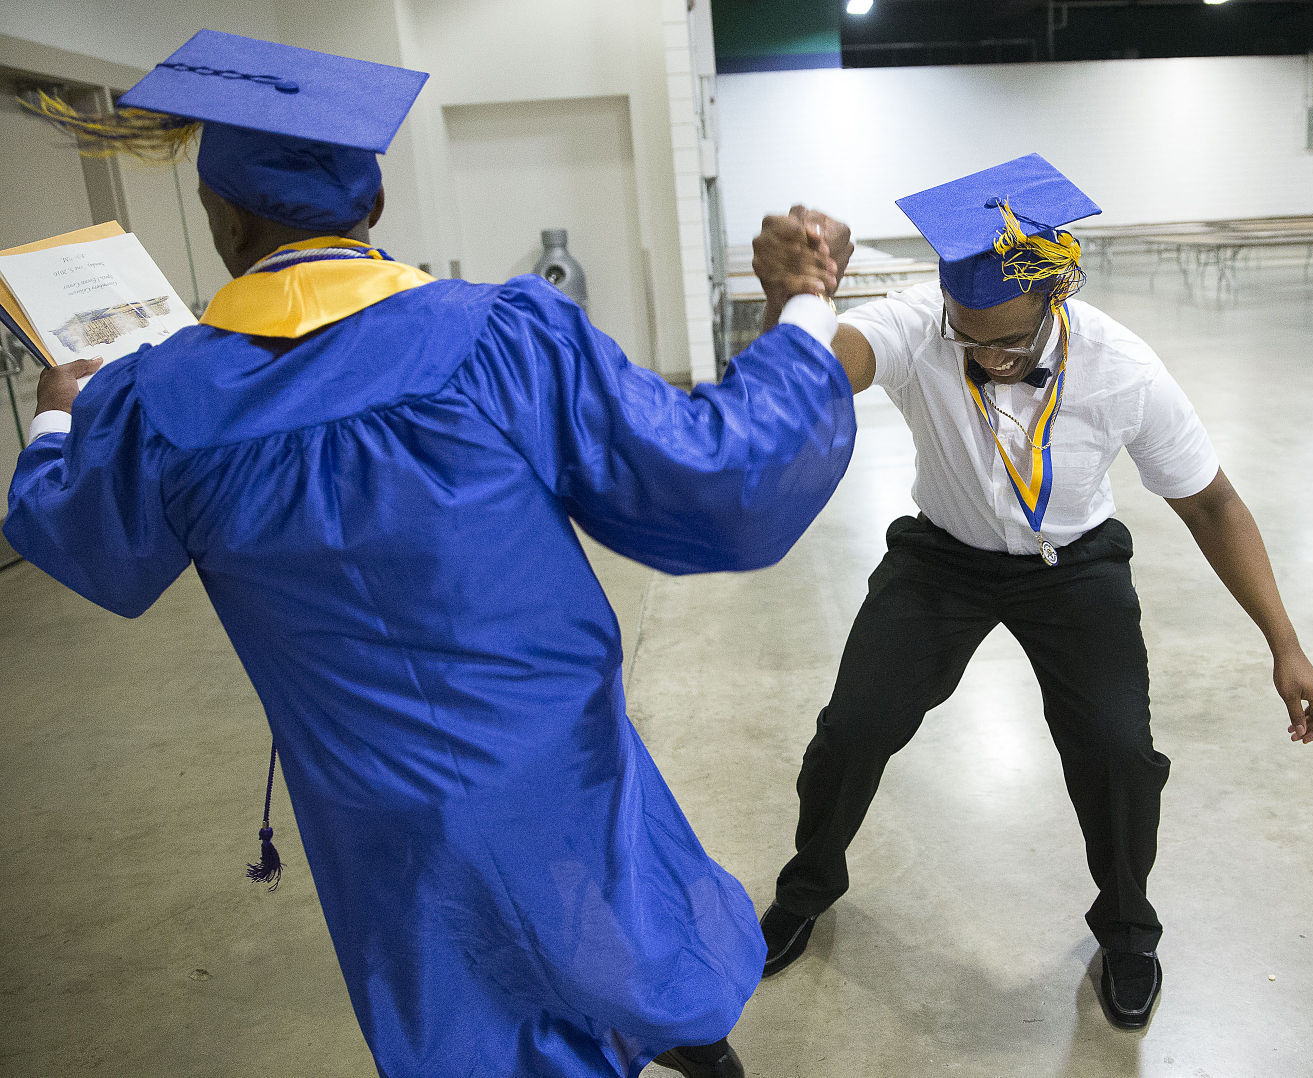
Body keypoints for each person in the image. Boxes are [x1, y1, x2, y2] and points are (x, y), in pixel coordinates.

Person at [6, 30, 856, 1078]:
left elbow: (80, 536)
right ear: (370, 209)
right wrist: (803, 304)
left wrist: (56, 418)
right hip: (561, 762)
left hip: (377, 811)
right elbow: (719, 481)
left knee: (463, 1000)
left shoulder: (159, 402)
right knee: (613, 925)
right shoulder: (502, 336)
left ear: (221, 219)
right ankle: (683, 1042)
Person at [750, 155, 1313, 1029]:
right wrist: (791, 299)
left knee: (1118, 752)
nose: (985, 354)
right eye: (968, 336)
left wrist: (1285, 641)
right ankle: (807, 886)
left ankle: (1129, 930)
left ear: (1054, 299)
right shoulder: (920, 324)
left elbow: (1212, 503)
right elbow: (820, 372)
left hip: (1074, 565)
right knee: (852, 727)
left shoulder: (1122, 367)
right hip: (940, 560)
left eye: (1008, 344)